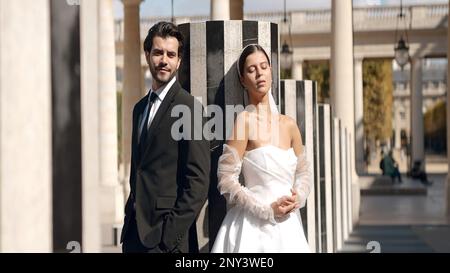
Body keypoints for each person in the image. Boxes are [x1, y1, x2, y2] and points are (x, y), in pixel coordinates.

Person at [211, 44, 312, 253]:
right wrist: (265, 210)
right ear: (242, 80)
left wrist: (298, 197)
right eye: (251, 69)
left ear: (271, 71)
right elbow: (226, 178)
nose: (259, 73)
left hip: (289, 228)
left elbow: (304, 172)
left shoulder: (290, 124)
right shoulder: (243, 121)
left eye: (264, 66)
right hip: (251, 229)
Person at [120, 22, 210, 253]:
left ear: (179, 61)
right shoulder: (139, 108)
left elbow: (198, 183)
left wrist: (168, 237)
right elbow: (138, 171)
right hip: (134, 237)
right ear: (147, 54)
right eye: (158, 52)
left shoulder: (189, 108)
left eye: (171, 54)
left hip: (167, 242)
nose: (164, 60)